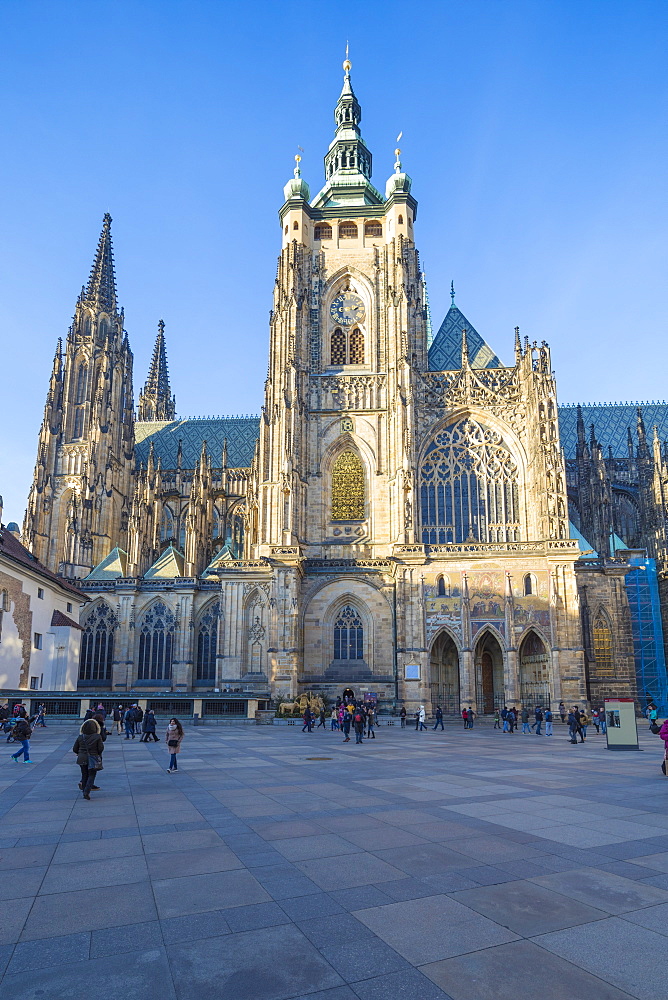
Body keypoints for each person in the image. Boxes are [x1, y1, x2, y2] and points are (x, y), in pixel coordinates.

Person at [72, 718, 105, 799]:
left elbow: (75, 748)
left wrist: (79, 753)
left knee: (84, 774)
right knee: (92, 775)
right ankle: (87, 791)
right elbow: (101, 748)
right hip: (93, 757)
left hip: (82, 758)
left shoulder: (81, 737)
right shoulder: (97, 736)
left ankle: (84, 790)